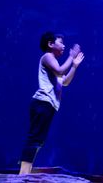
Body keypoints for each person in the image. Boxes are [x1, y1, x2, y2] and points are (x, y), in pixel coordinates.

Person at [19, 31, 85, 174]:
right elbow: (61, 71)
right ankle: (23, 173)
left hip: (48, 105)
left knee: (39, 140)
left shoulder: (54, 64)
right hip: (41, 103)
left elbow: (65, 81)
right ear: (50, 44)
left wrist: (74, 66)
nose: (64, 45)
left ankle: (26, 171)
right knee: (35, 138)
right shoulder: (47, 57)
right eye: (60, 42)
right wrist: (70, 56)